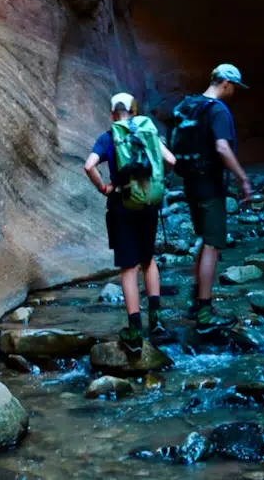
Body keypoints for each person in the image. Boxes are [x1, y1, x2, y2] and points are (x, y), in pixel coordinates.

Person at [84, 92, 176, 351]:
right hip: (147, 204)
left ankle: (135, 329)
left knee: (128, 267)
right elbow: (171, 161)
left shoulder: (108, 137)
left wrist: (104, 187)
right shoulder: (148, 133)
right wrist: (155, 180)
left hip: (121, 205)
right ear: (135, 111)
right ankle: (156, 323)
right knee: (148, 261)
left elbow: (88, 166)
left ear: (113, 114)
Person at [172, 63, 252, 335]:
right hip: (209, 186)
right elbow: (221, 147)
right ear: (226, 83)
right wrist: (243, 178)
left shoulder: (192, 105)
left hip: (191, 183)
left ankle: (197, 302)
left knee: (204, 240)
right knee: (213, 244)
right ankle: (205, 311)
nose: (235, 93)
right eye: (235, 88)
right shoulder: (217, 110)